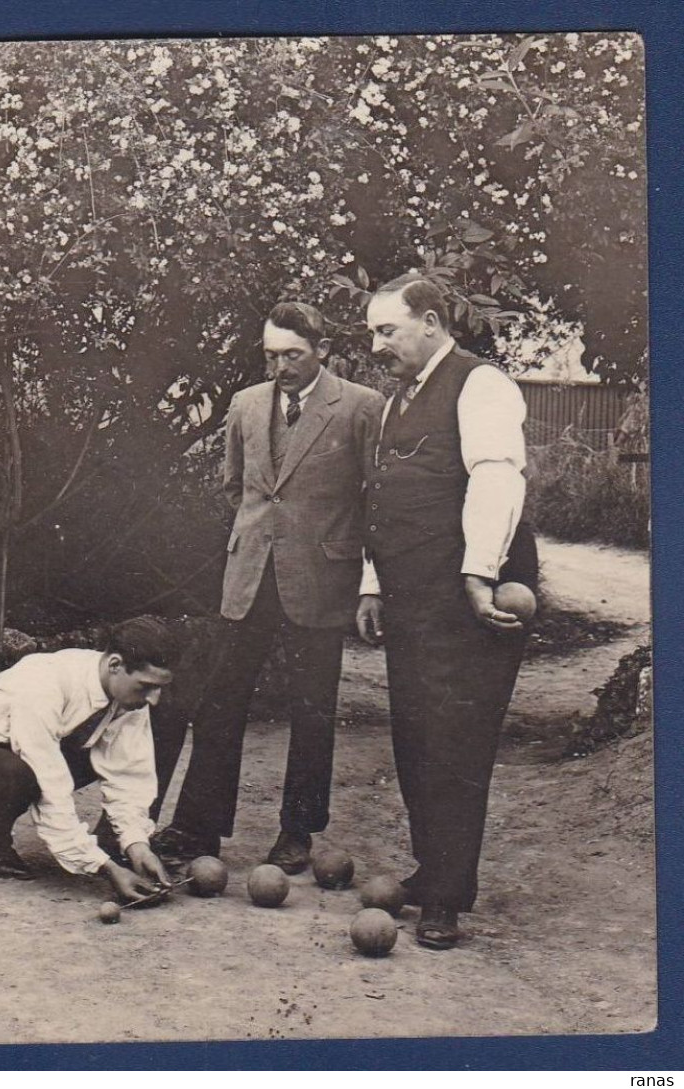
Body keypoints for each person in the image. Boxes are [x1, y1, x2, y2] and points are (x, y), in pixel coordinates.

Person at [150, 303, 384, 874]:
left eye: (293, 356)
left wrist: (367, 582)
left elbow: (377, 503)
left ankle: (297, 832)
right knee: (218, 704)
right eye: (271, 356)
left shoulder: (360, 407)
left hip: (322, 582)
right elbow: (238, 488)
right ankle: (199, 827)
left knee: (312, 712)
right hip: (249, 576)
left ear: (322, 350)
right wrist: (265, 538)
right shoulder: (246, 405)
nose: (280, 367)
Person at [354, 273, 534, 950]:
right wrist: (372, 582)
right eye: (372, 332)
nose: (376, 345)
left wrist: (480, 572)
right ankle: (433, 871)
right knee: (414, 736)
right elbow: (384, 499)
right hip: (409, 597)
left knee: (454, 743)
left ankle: (446, 897)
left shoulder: (478, 383)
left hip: (467, 598)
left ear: (429, 321)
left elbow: (495, 476)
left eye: (387, 330)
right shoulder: (396, 399)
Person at [0, 619, 177, 904]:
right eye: (145, 686)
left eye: (158, 688)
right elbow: (49, 777)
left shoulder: (129, 698)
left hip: (57, 753)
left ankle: (115, 846)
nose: (153, 699)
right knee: (13, 774)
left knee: (110, 757)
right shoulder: (45, 680)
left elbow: (129, 775)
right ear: (115, 665)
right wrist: (104, 867)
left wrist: (137, 846)